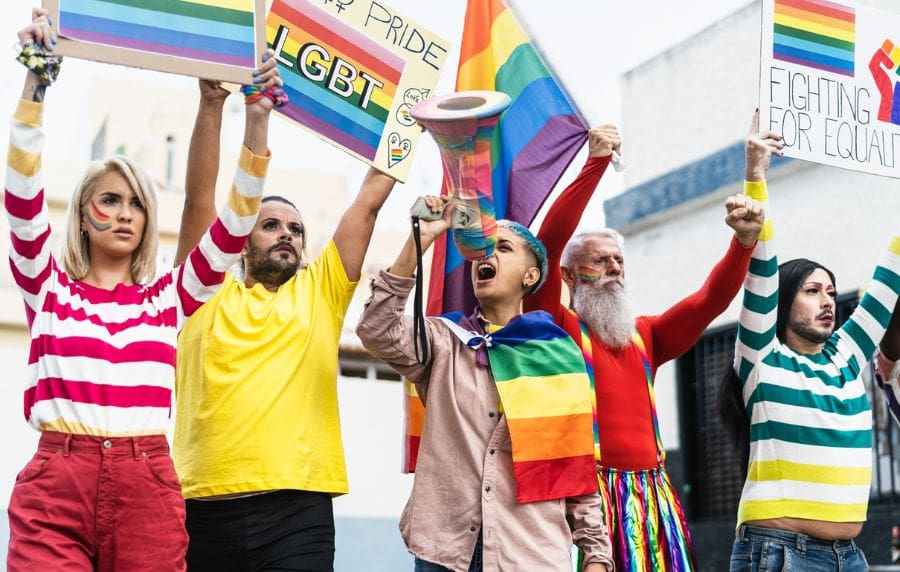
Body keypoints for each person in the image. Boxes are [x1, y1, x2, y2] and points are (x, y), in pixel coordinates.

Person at [4, 8, 279, 570]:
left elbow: (233, 225)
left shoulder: (168, 300)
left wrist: (257, 121)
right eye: (109, 200)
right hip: (56, 485)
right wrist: (35, 84)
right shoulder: (46, 286)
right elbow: (21, 194)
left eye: (136, 204)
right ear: (82, 216)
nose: (124, 214)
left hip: (147, 485)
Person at [171, 81, 397, 570]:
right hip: (202, 507)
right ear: (239, 237)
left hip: (298, 510)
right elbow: (197, 201)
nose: (287, 235)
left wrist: (405, 121)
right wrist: (212, 104)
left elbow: (368, 202)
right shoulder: (200, 290)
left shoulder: (321, 291)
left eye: (295, 229)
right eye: (270, 225)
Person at [524, 123, 769, 570]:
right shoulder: (554, 327)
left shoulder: (646, 334)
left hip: (652, 498)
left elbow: (709, 300)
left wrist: (744, 242)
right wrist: (596, 162)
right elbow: (548, 243)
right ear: (568, 276)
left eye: (619, 260)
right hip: (585, 502)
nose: (615, 268)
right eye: (600, 261)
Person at [356, 196, 614, 572]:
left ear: (530, 276)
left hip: (530, 554)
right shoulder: (445, 340)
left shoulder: (558, 357)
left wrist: (595, 554)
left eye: (503, 247)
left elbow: (574, 468)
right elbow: (376, 330)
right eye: (485, 248)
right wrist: (421, 240)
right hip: (444, 553)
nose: (486, 255)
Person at [720, 113, 900, 570]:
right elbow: (762, 269)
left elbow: (890, 276)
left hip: (850, 556)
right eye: (812, 290)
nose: (827, 301)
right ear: (783, 303)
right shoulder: (763, 357)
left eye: (832, 292)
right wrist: (755, 174)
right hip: (780, 553)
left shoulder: (846, 354)